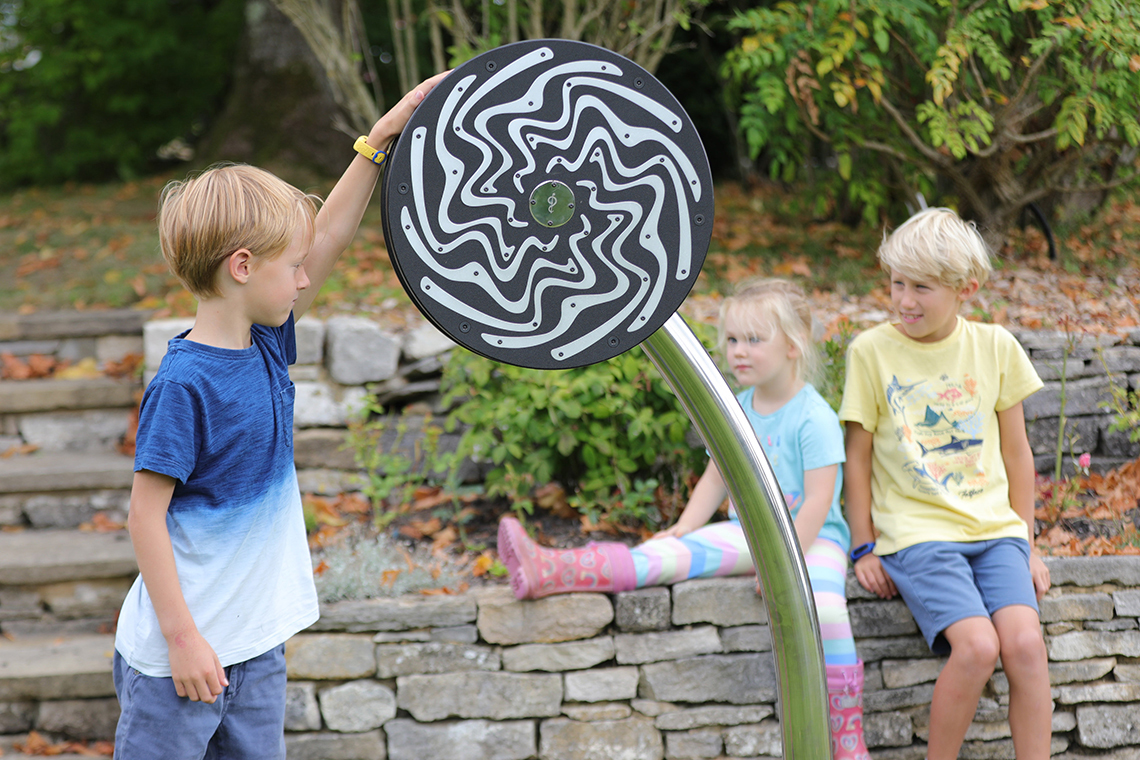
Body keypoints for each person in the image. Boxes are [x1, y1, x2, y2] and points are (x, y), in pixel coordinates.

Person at [111, 72, 447, 760]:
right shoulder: (183, 384)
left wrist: (376, 145)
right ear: (241, 266)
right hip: (183, 659)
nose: (305, 278)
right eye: (292, 268)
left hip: (255, 646)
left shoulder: (266, 340)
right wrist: (182, 640)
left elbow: (324, 240)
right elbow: (145, 516)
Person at [499, 278, 869, 760]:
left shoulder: (813, 416)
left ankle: (846, 743)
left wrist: (784, 566)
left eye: (754, 340)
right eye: (732, 340)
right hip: (752, 532)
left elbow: (820, 500)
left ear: (794, 345)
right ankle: (555, 569)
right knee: (668, 552)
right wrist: (686, 525)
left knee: (828, 611)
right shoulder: (739, 408)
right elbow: (717, 479)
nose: (738, 351)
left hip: (811, 541)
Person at [839, 207, 1052, 760]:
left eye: (922, 288)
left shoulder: (996, 346)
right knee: (978, 646)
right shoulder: (871, 351)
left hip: (995, 530)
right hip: (918, 535)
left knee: (1026, 645)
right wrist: (864, 545)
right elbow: (856, 459)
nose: (904, 300)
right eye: (897, 284)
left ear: (966, 288)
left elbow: (1017, 452)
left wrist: (1027, 541)